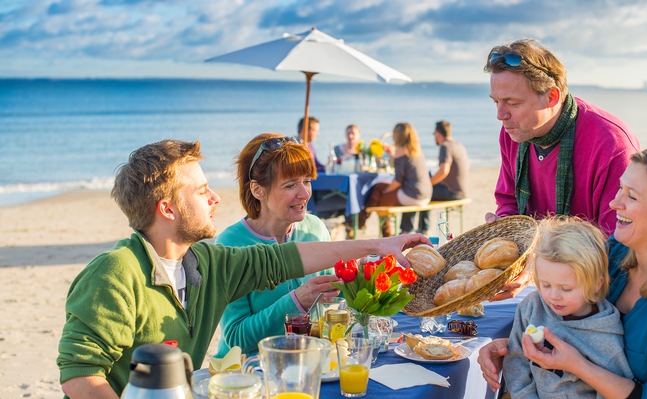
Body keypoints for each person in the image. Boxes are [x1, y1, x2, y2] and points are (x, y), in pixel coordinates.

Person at [56, 139, 429, 399]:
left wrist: (381, 244)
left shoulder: (206, 262)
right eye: (202, 192)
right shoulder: (115, 273)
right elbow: (79, 376)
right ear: (167, 209)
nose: (216, 197)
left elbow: (285, 259)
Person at [479, 143, 647, 399]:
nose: (614, 202)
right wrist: (510, 348)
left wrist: (578, 366)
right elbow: (568, 325)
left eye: (631, 196)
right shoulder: (613, 254)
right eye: (620, 189)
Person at [483, 38, 640, 239]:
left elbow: (619, 240)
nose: (500, 115)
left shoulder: (611, 144)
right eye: (496, 101)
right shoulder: (512, 132)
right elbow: (508, 201)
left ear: (552, 97)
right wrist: (504, 225)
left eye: (512, 103)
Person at [215, 133, 339, 356]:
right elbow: (235, 338)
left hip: (306, 362)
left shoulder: (316, 228)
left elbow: (332, 301)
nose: (304, 194)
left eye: (307, 181)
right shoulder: (228, 244)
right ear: (257, 190)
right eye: (291, 185)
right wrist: (296, 301)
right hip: (249, 371)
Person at [503, 217, 633, 398]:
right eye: (545, 284)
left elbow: (609, 392)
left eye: (566, 288)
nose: (553, 296)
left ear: (596, 284)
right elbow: (516, 361)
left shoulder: (606, 338)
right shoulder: (532, 307)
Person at [358, 122, 432, 237]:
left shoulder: (400, 151)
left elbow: (397, 182)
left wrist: (386, 191)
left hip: (412, 196)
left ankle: (362, 221)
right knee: (379, 189)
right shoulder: (416, 150)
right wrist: (392, 155)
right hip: (426, 195)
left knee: (379, 193)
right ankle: (366, 222)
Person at [414, 120, 470, 234]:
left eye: (434, 133)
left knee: (422, 192)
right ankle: (422, 227)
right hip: (462, 191)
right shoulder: (458, 145)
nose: (434, 136)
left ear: (438, 134)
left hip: (452, 192)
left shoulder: (445, 146)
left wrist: (428, 184)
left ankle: (421, 229)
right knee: (427, 184)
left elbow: (444, 170)